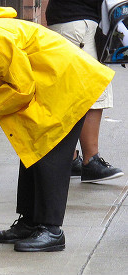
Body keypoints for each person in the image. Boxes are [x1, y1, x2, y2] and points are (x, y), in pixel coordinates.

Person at [0, 6, 114, 252]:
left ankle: (51, 230)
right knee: (30, 151)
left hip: (68, 88)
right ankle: (29, 222)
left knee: (49, 155)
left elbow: (21, 89)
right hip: (53, 88)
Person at [46, 0, 124, 183]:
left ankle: (70, 158)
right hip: (78, 23)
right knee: (93, 89)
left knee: (70, 92)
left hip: (67, 20)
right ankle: (91, 161)